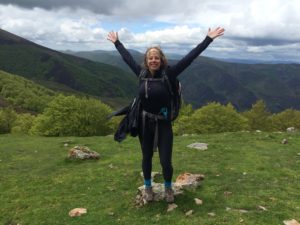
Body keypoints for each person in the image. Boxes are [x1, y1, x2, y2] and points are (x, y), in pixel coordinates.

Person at [107, 27, 225, 203]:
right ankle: (148, 187)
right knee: (146, 157)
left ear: (161, 60)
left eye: (156, 58)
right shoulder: (141, 73)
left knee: (165, 160)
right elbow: (127, 58)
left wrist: (208, 39)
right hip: (145, 122)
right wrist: (117, 43)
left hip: (163, 123)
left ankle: (168, 187)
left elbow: (190, 58)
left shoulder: (169, 74)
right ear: (146, 61)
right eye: (150, 58)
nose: (153, 60)